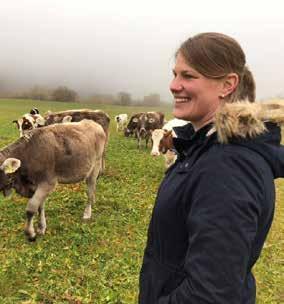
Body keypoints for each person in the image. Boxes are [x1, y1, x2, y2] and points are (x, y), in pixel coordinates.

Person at [139, 32, 284, 303]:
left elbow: (211, 294)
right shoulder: (203, 149)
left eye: (188, 76)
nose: (173, 85)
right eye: (174, 74)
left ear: (227, 85)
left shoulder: (227, 166)